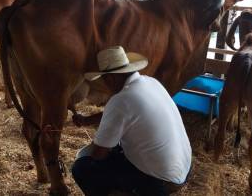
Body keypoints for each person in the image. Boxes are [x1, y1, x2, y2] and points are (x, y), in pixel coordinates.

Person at [71, 46, 192, 196]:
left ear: (111, 78)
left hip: (160, 182)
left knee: (83, 168)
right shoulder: (151, 82)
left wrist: (97, 151)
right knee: (118, 150)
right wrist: (87, 120)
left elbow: (99, 154)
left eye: (104, 79)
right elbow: (123, 113)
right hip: (184, 170)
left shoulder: (120, 100)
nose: (104, 84)